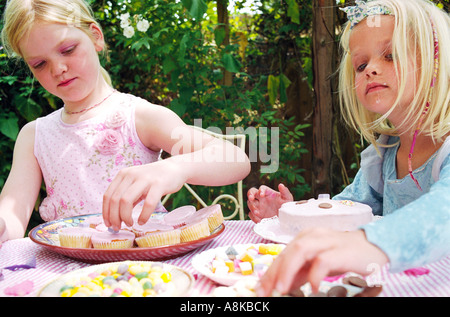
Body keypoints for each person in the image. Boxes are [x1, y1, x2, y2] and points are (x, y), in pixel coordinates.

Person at [0, 0, 250, 244]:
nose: (58, 68)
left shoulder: (139, 117)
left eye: (67, 50)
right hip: (71, 276)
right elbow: (12, 213)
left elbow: (235, 158)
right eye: (40, 64)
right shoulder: (35, 135)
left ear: (96, 36)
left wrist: (175, 168)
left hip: (147, 269)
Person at [250, 0, 450, 296]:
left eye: (390, 56)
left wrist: (367, 243)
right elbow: (347, 210)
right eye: (361, 64)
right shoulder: (384, 154)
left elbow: (442, 213)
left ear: (436, 61)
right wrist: (289, 214)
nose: (371, 70)